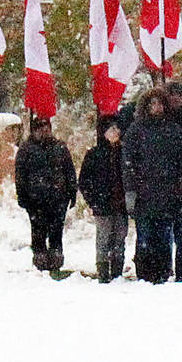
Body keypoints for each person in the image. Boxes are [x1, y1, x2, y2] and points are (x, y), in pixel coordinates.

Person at [123, 87, 182, 283]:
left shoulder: (174, 131)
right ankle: (144, 274)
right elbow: (128, 163)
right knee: (144, 237)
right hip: (143, 194)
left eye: (160, 103)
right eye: (152, 103)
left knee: (164, 239)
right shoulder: (136, 131)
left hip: (167, 194)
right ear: (145, 106)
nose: (156, 107)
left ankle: (163, 273)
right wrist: (130, 191)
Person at [13, 115, 77, 273]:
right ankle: (40, 259)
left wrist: (72, 191)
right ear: (34, 130)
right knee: (38, 230)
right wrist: (22, 196)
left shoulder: (60, 147)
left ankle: (56, 259)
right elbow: (20, 175)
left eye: (47, 127)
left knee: (56, 230)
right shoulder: (26, 149)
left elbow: (69, 170)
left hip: (58, 198)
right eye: (40, 128)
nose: (44, 130)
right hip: (35, 199)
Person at [80, 113, 130, 282]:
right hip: (102, 204)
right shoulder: (94, 154)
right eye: (111, 129)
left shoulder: (125, 152)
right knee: (103, 238)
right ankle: (103, 271)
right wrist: (93, 200)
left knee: (119, 239)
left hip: (122, 204)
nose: (115, 132)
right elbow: (84, 181)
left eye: (117, 128)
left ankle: (117, 270)